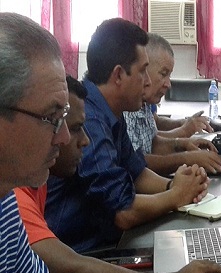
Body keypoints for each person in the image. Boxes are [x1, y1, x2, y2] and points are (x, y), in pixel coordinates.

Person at [0, 12, 221, 273]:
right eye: (52, 118)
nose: (66, 137)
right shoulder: (16, 198)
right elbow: (72, 267)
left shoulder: (5, 203)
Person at [14, 76, 221, 273]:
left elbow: (136, 170)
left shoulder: (37, 178)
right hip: (81, 260)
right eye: (144, 70)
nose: (84, 140)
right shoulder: (14, 198)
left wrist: (172, 186)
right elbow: (72, 267)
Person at [46, 18, 210, 253]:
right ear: (119, 75)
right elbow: (123, 212)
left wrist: (176, 184)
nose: (149, 81)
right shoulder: (89, 119)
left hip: (107, 242)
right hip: (84, 253)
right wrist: (176, 196)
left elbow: (137, 172)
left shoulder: (111, 110)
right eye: (143, 71)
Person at [124, 33, 221, 175]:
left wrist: (183, 145)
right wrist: (186, 157)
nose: (168, 84)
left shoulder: (144, 103)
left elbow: (152, 143)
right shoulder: (127, 107)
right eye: (163, 74)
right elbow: (137, 163)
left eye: (169, 75)